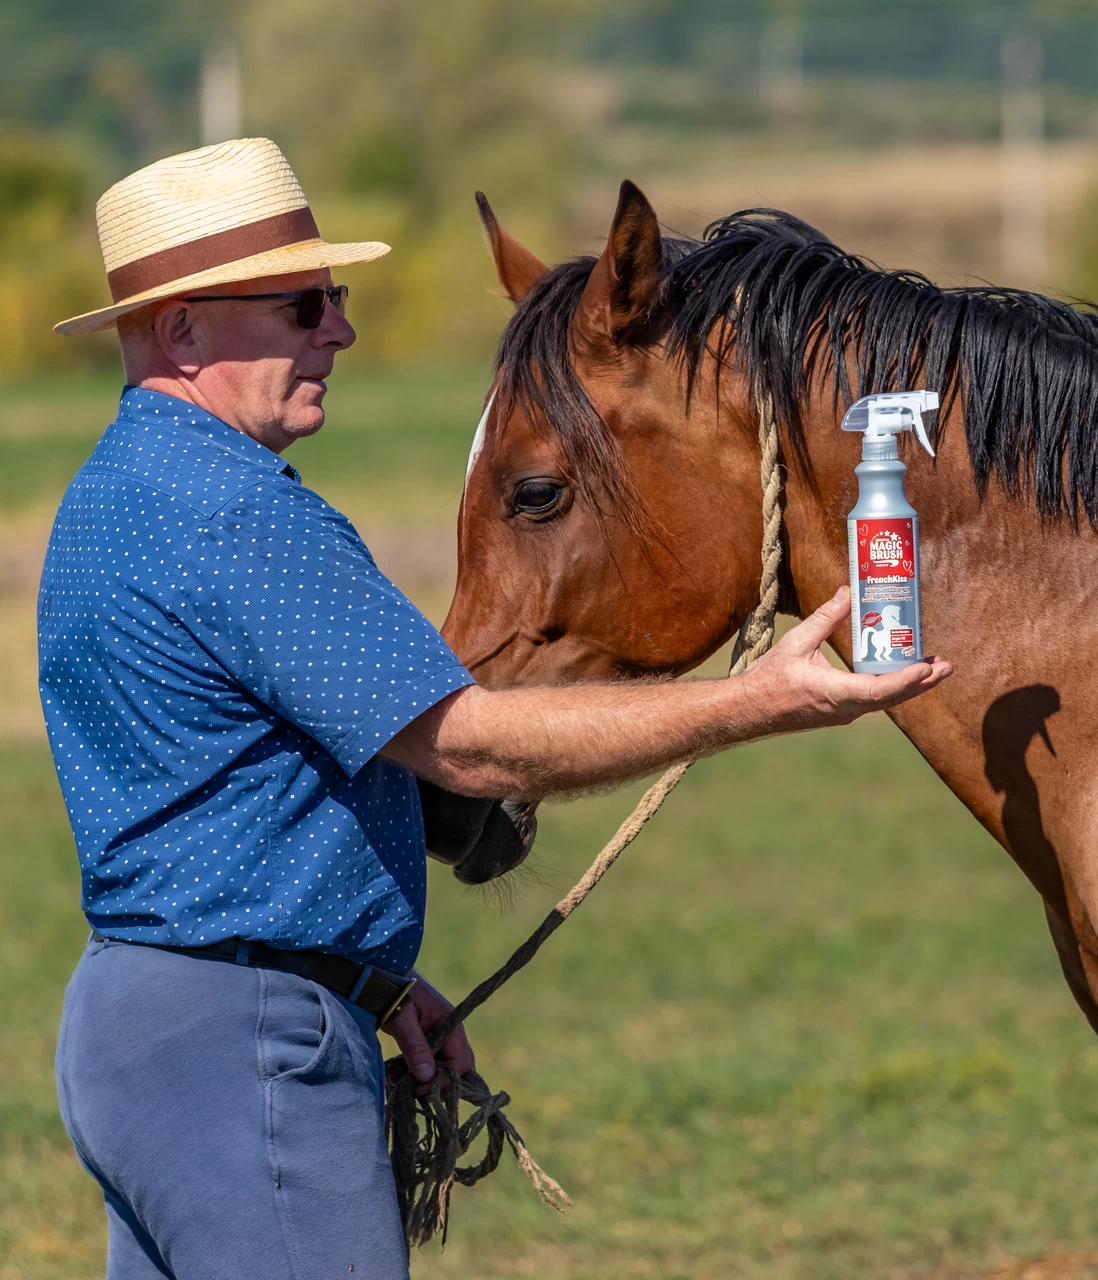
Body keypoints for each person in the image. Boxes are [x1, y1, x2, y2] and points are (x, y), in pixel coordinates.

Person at [39, 138, 952, 1280]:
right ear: (182, 329)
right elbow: (466, 746)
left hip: (140, 1025)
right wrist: (752, 701)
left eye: (336, 296)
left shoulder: (112, 493)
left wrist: (357, 978)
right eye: (304, 304)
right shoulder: (236, 513)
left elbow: (208, 798)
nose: (340, 330)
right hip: (244, 1054)